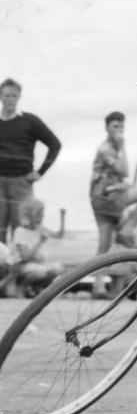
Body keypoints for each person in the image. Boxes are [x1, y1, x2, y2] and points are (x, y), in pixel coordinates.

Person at [0, 78, 61, 244]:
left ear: (19, 96)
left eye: (14, 95)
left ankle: (18, 268)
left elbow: (55, 144)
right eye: (6, 95)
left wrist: (40, 172)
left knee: (22, 230)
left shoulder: (30, 121)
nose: (10, 99)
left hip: (22, 183)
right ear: (1, 96)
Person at [90, 111, 137, 258]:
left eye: (121, 127)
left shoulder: (108, 148)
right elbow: (125, 171)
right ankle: (128, 227)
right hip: (108, 197)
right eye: (115, 126)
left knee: (103, 248)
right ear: (107, 128)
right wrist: (122, 146)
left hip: (99, 200)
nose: (119, 130)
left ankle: (98, 279)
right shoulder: (106, 149)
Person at [7, 197, 64, 297]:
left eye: (42, 213)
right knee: (41, 271)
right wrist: (40, 242)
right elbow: (25, 257)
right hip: (21, 266)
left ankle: (37, 287)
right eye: (39, 214)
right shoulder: (20, 232)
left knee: (58, 268)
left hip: (36, 264)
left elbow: (59, 235)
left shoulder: (40, 228)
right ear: (30, 216)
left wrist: (62, 217)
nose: (42, 216)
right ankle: (22, 287)